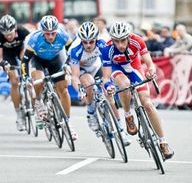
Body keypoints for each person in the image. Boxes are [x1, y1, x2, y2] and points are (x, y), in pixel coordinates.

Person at [101, 21, 174, 160]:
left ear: (128, 37)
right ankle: (128, 115)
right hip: (118, 70)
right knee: (124, 83)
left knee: (147, 104)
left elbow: (150, 64)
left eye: (123, 40)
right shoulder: (107, 48)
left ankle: (163, 142)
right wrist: (108, 86)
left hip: (135, 68)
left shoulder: (137, 40)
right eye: (117, 41)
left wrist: (151, 72)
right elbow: (105, 77)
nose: (120, 45)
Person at [69, 22, 131, 145]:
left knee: (109, 96)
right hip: (83, 71)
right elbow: (75, 76)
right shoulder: (75, 50)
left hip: (97, 67)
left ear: (96, 39)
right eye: (85, 42)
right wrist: (80, 90)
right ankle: (91, 111)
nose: (88, 45)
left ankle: (121, 130)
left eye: (91, 42)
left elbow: (109, 65)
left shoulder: (102, 44)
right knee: (89, 83)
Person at [21, 15, 78, 140]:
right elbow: (25, 61)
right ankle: (38, 102)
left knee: (63, 90)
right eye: (47, 34)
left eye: (53, 33)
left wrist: (68, 65)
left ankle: (67, 122)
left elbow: (73, 53)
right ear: (42, 32)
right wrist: (25, 78)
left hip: (56, 60)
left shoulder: (63, 36)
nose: (51, 36)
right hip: (38, 61)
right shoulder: (35, 39)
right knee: (38, 80)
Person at [0, 15, 30, 131]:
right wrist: (3, 64)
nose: (9, 36)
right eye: (6, 34)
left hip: (21, 51)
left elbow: (31, 46)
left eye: (10, 33)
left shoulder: (22, 30)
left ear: (15, 29)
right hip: (8, 56)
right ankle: (19, 114)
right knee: (14, 82)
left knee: (26, 60)